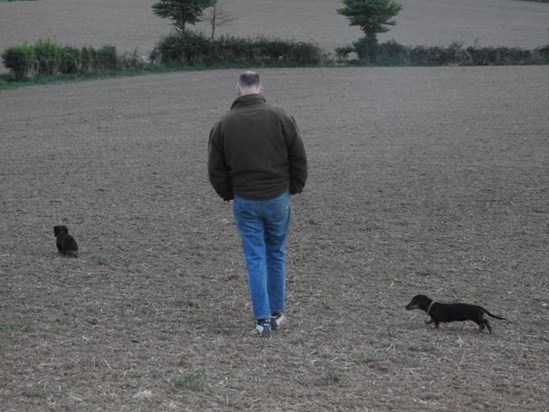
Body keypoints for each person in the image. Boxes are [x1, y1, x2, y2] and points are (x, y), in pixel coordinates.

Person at [208, 71, 308, 337]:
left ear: (237, 91)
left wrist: (229, 193)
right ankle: (277, 313)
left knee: (255, 257)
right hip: (278, 198)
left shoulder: (223, 124)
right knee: (276, 253)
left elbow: (215, 170)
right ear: (261, 89)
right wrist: (293, 187)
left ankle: (262, 321)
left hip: (246, 200)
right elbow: (298, 157)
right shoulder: (282, 117)